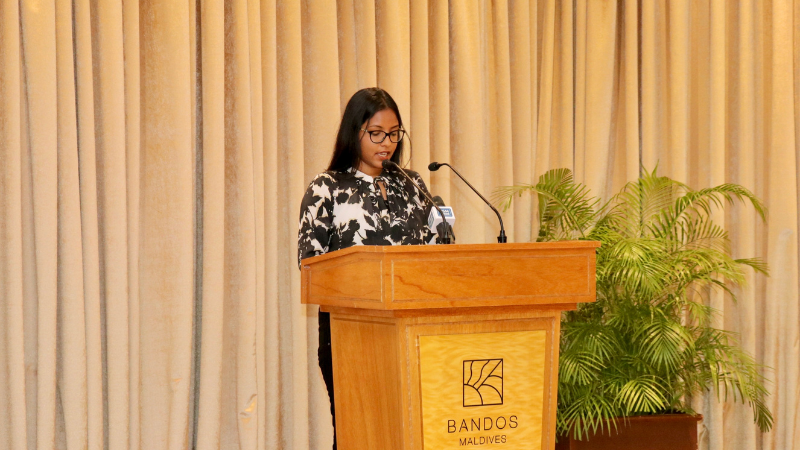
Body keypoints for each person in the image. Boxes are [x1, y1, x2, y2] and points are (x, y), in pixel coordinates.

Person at [297, 87, 436, 449]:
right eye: (376, 133)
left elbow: (438, 253)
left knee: (409, 434)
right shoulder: (327, 188)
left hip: (413, 331)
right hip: (349, 334)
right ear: (354, 131)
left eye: (394, 133)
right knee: (356, 433)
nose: (386, 143)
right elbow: (310, 265)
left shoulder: (413, 185)